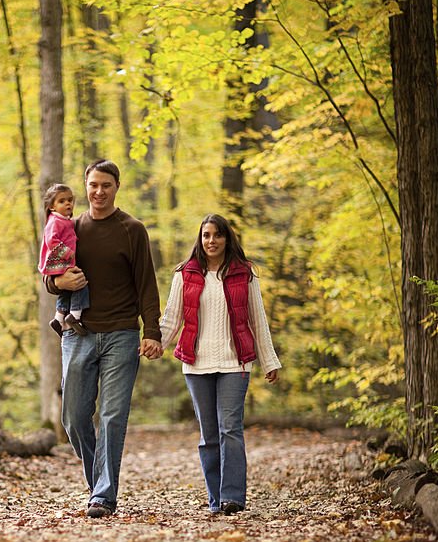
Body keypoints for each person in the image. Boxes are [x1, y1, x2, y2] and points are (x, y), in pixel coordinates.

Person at [44, 159, 163, 518]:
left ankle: (103, 495)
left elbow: (146, 284)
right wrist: (56, 284)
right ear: (85, 186)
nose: (98, 192)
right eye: (93, 185)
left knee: (112, 416)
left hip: (121, 336)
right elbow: (52, 270)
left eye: (106, 185)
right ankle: (99, 480)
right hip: (78, 335)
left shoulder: (132, 229)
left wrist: (152, 332)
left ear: (116, 187)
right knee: (74, 417)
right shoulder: (70, 226)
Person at [160, 213, 281, 515]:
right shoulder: (184, 274)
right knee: (209, 435)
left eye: (217, 235)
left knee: (230, 429)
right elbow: (172, 319)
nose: (211, 241)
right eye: (206, 235)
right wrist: (153, 343)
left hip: (234, 364)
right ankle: (215, 499)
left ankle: (232, 498)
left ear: (227, 238)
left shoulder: (244, 274)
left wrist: (269, 360)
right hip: (196, 364)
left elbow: (257, 319)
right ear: (199, 240)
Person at [37, 183, 89, 337]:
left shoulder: (64, 220)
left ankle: (59, 317)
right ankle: (75, 315)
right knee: (80, 283)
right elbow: (51, 241)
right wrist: (67, 253)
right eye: (62, 201)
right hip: (59, 260)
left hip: (63, 260)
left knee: (67, 289)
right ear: (52, 206)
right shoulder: (55, 221)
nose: (67, 203)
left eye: (70, 200)